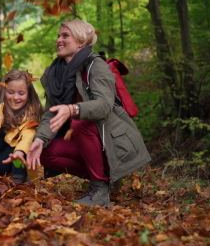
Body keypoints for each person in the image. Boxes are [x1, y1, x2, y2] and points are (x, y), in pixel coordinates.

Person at [27, 19, 151, 206]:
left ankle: (99, 190)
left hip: (110, 141)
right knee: (45, 152)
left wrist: (73, 109)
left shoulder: (96, 66)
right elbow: (51, 114)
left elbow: (104, 105)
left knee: (80, 121)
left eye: (65, 35)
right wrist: (40, 138)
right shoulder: (55, 74)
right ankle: (105, 180)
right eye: (58, 36)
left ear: (81, 41)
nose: (59, 40)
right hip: (85, 143)